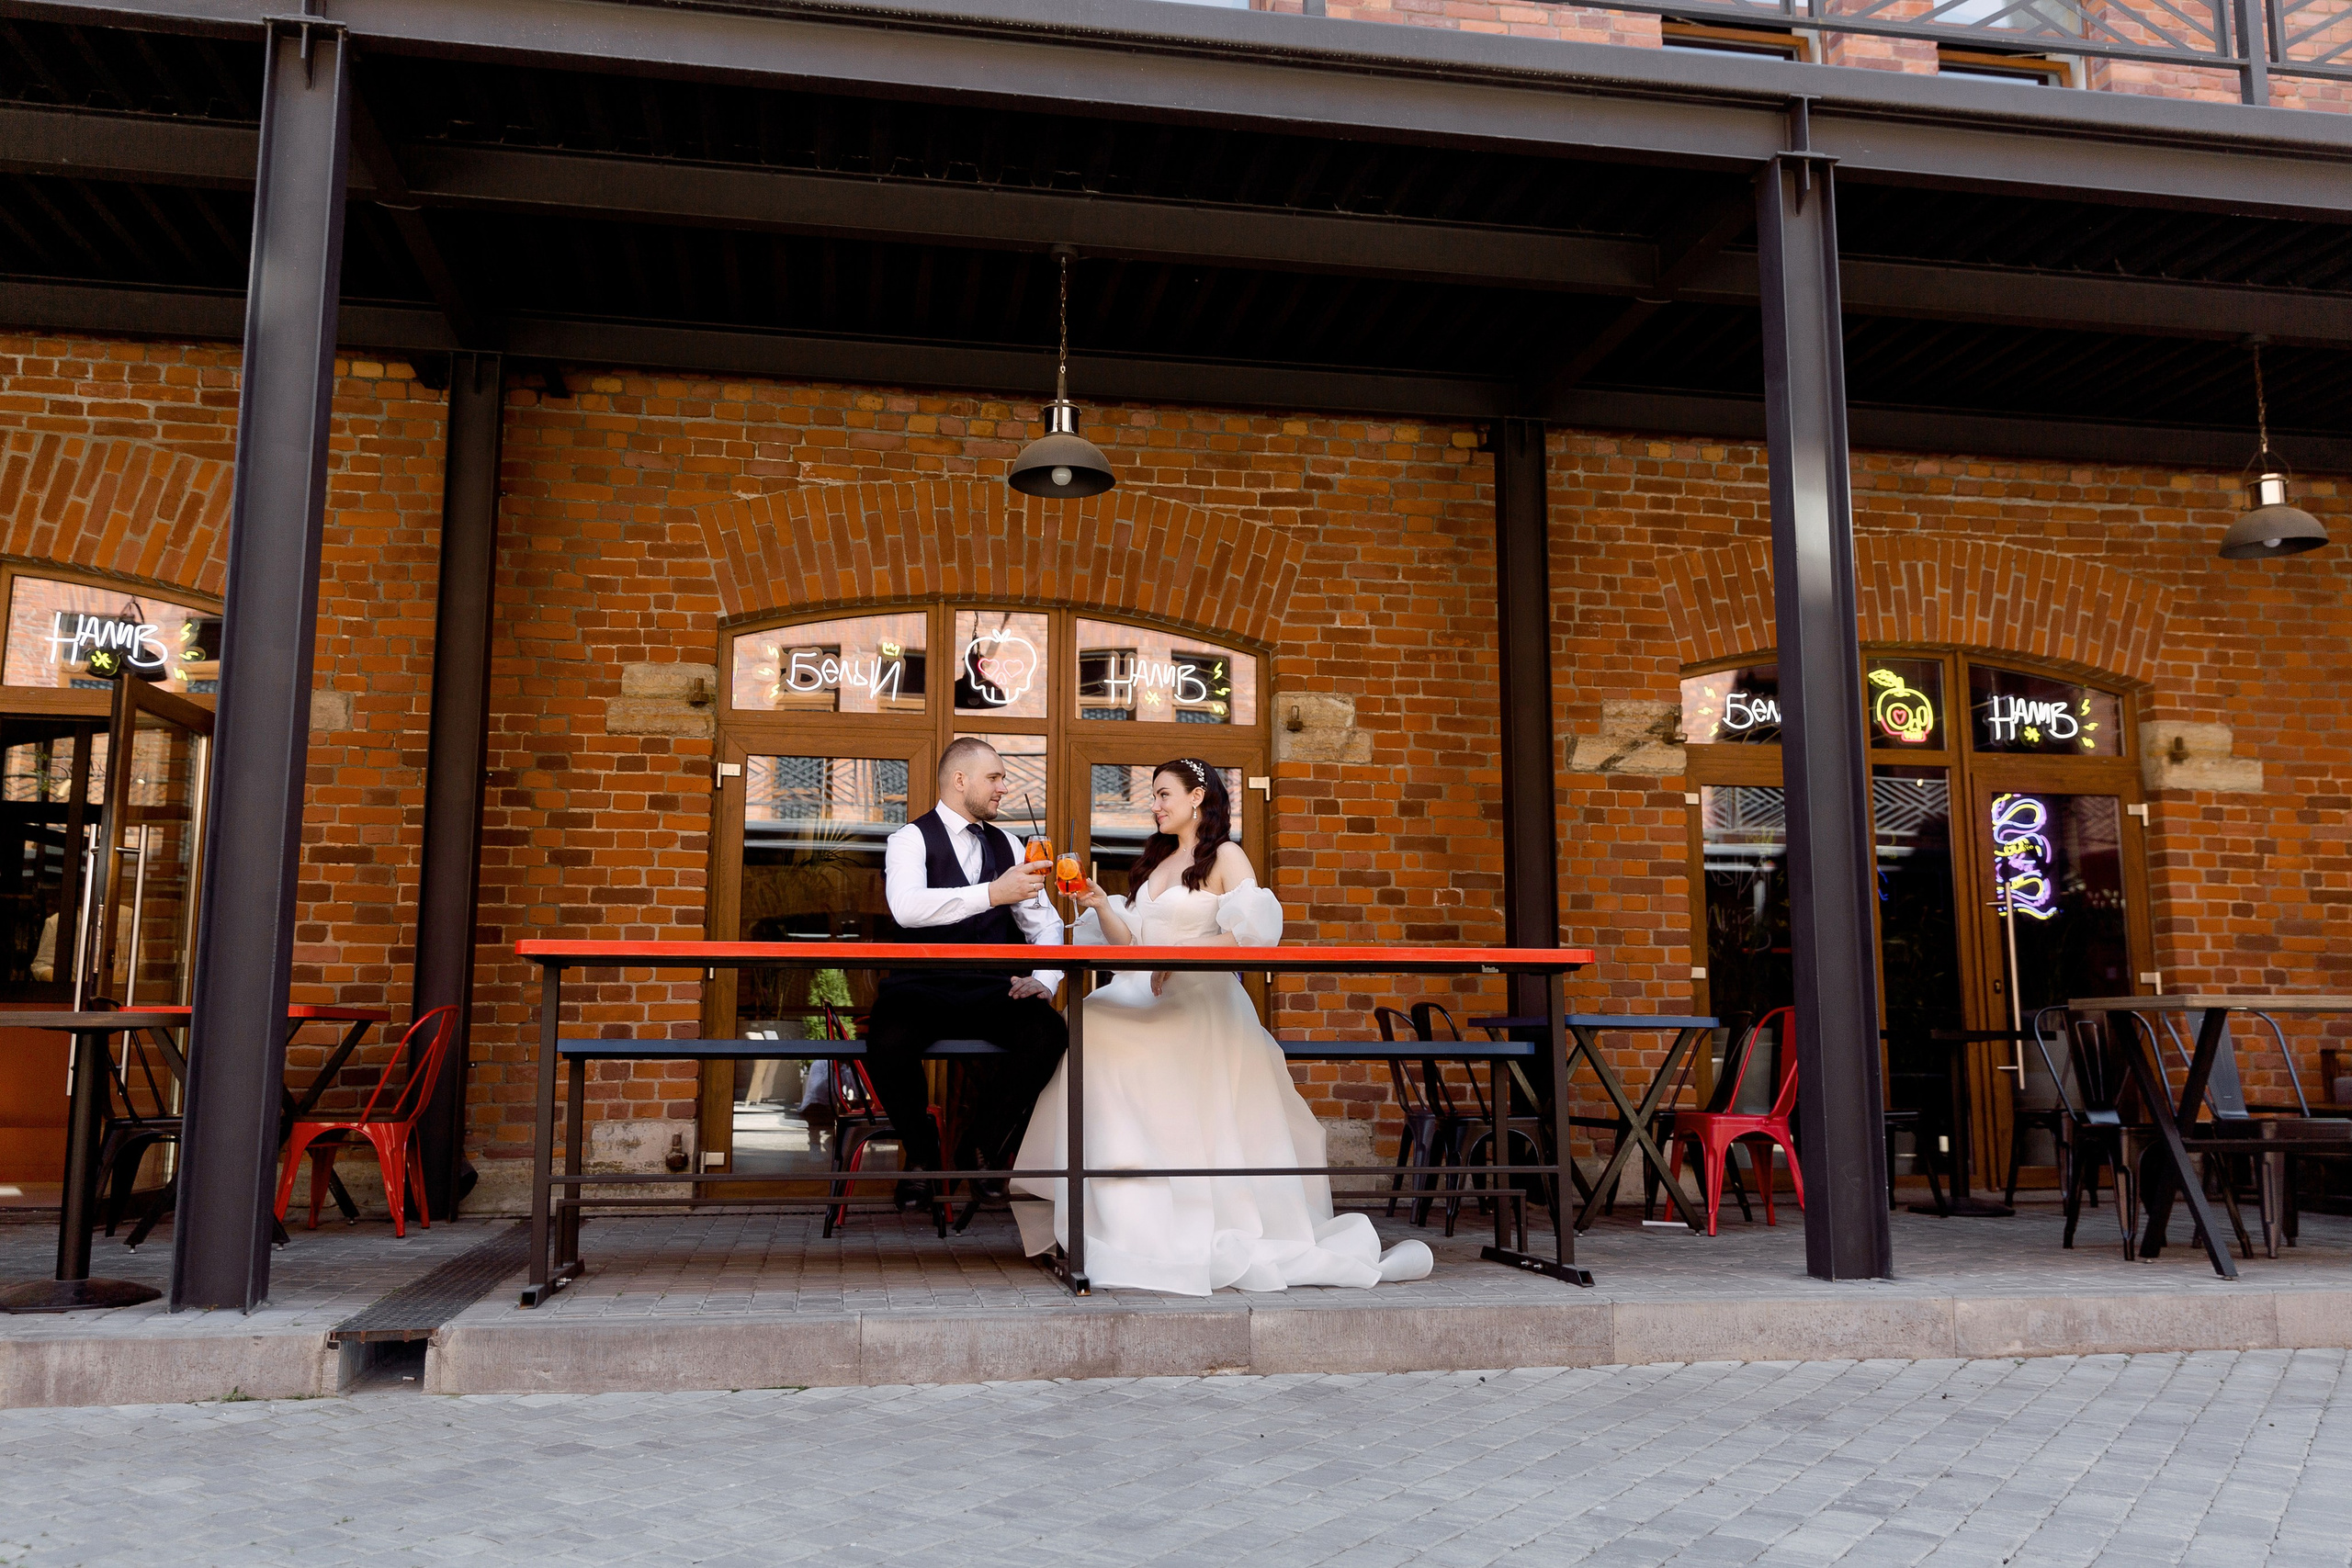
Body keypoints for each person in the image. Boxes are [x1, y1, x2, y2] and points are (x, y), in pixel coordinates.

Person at [1010, 758, 1433, 1294]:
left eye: (1163, 794)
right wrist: (1100, 904)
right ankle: (1117, 1210)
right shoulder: (1157, 859)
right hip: (1142, 993)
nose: (1155, 805)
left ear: (1197, 797)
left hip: (1198, 999)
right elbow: (1130, 945)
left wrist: (1181, 955)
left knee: (1106, 1032)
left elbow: (1254, 935)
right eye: (1153, 796)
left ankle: (1177, 1214)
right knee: (1089, 1023)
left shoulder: (1225, 856)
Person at [870, 737, 1068, 1211]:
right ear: (960, 781)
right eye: (994, 778)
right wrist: (993, 894)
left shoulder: (1011, 845)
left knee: (1047, 1033)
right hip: (921, 987)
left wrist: (1045, 978)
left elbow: (1046, 923)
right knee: (887, 1039)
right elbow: (906, 908)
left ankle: (980, 1145)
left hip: (991, 988)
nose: (1004, 788)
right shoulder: (909, 839)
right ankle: (921, 1156)